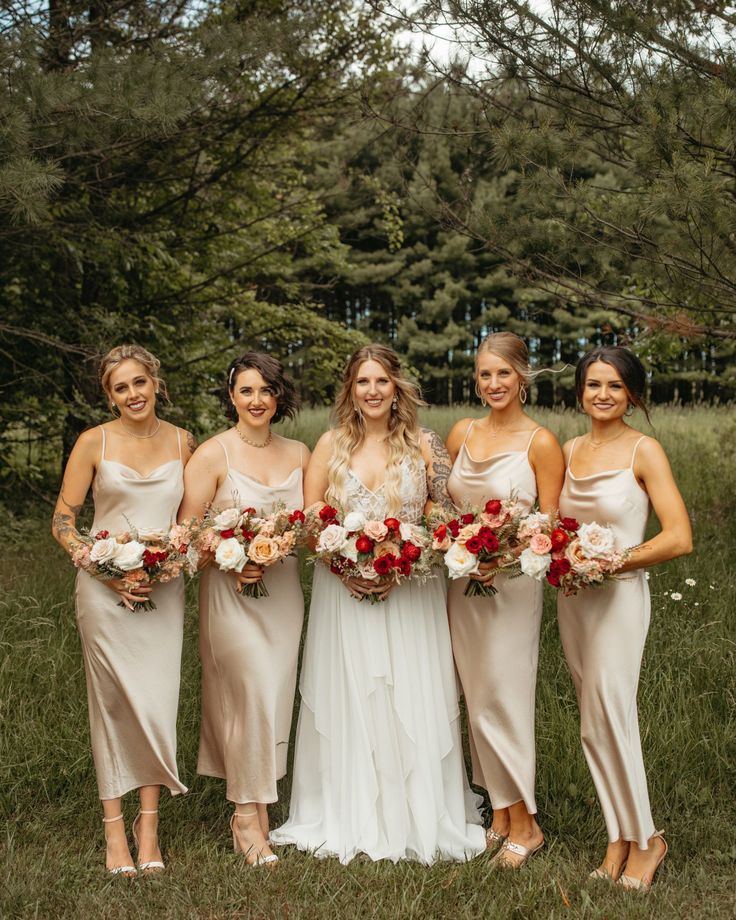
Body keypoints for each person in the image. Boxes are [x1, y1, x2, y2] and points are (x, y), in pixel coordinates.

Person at [270, 343, 486, 864]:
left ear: (397, 388)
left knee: (409, 693)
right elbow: (311, 515)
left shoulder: (426, 443)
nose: (372, 391)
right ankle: (346, 812)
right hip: (342, 592)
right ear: (350, 389)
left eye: (381, 382)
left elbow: (442, 511)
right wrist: (347, 566)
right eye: (362, 382)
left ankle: (419, 814)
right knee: (354, 692)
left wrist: (405, 561)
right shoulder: (330, 443)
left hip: (411, 592)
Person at [52, 344, 195, 876]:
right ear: (108, 395)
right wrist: (102, 568)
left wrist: (167, 564)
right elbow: (64, 521)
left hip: (162, 592)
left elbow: (190, 523)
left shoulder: (184, 443)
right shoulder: (94, 442)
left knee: (156, 703)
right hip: (103, 590)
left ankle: (149, 826)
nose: (132, 394)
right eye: (120, 387)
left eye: (140, 382)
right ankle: (115, 830)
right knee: (111, 706)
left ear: (156, 382)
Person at [558, 345, 692, 890]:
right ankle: (617, 836)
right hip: (575, 600)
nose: (603, 395)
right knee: (592, 722)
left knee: (614, 713)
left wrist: (616, 561)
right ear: (580, 391)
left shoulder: (645, 451)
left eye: (615, 385)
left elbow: (679, 537)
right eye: (594, 384)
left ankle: (648, 839)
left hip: (620, 598)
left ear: (632, 393)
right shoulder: (568, 449)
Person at [178, 351, 309, 867]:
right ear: (231, 396)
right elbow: (186, 534)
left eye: (267, 390)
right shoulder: (212, 455)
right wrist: (229, 556)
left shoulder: (300, 453)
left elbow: (313, 525)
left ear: (280, 396)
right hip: (230, 597)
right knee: (250, 692)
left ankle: (258, 804)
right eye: (247, 391)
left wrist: (281, 543)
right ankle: (246, 818)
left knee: (273, 698)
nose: (257, 400)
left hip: (283, 598)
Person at [445, 332, 565, 867]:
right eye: (484, 374)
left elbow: (550, 522)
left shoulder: (540, 441)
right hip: (462, 583)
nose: (493, 384)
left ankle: (528, 823)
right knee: (475, 695)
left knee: (505, 695)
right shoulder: (460, 435)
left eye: (503, 374)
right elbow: (445, 508)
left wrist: (507, 555)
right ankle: (498, 809)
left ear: (523, 376)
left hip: (512, 585)